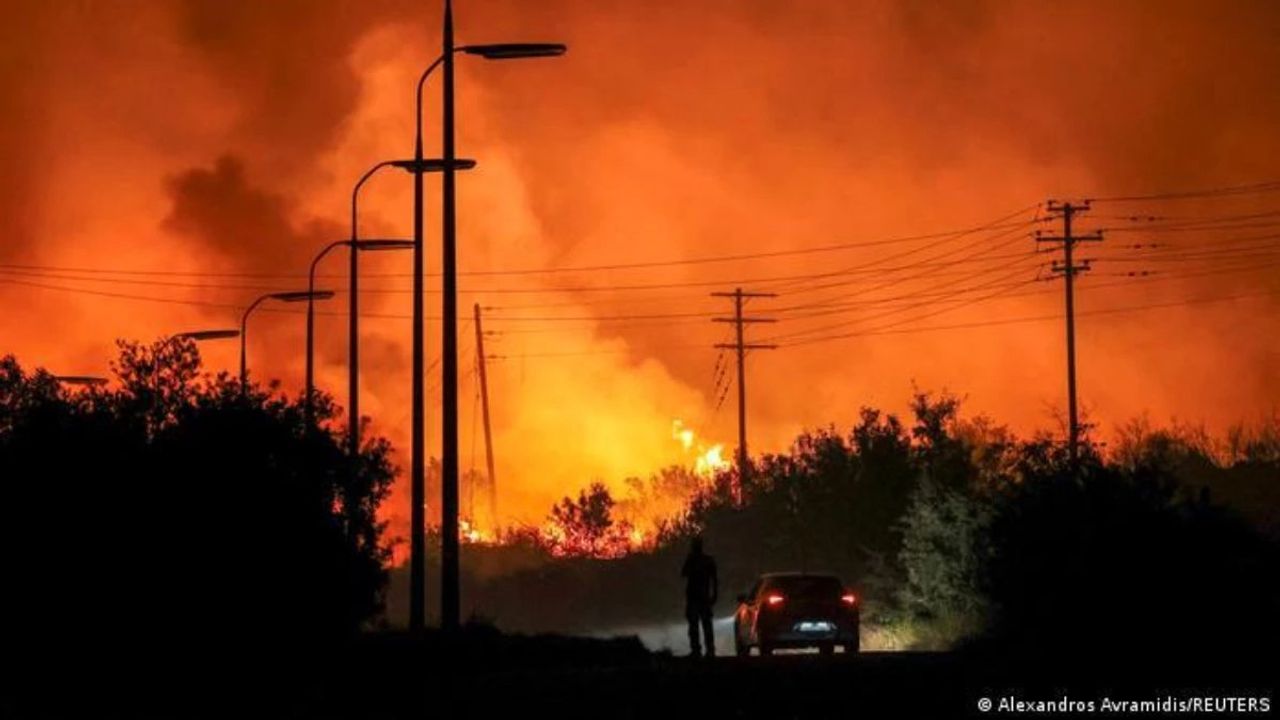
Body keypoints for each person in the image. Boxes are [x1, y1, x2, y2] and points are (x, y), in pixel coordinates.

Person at [681, 535, 718, 657]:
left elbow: (684, 573)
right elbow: (715, 580)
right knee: (704, 625)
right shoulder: (708, 560)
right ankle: (708, 650)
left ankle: (699, 650)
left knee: (696, 626)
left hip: (696, 598)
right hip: (702, 597)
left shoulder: (694, 560)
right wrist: (714, 595)